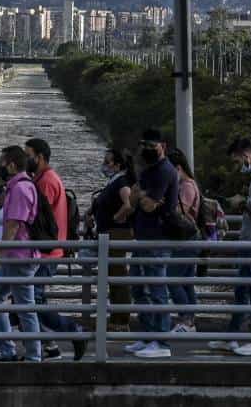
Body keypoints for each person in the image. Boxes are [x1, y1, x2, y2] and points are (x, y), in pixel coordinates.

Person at [23, 138, 87, 361]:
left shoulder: (46, 182)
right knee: (30, 299)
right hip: (47, 250)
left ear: (39, 157)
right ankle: (48, 346)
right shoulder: (43, 178)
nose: (25, 159)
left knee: (33, 300)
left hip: (46, 252)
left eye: (28, 154)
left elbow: (36, 218)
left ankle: (72, 330)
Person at [211, 138, 251, 357]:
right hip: (250, 242)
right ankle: (232, 337)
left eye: (237, 162)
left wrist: (242, 202)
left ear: (246, 155)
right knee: (242, 292)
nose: (237, 167)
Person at [0, 145, 42, 363]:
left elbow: (13, 225)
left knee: (24, 306)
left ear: (12, 165)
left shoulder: (19, 189)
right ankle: (8, 350)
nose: (0, 166)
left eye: (2, 162)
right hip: (15, 256)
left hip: (19, 256)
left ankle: (33, 355)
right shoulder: (17, 186)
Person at [126, 129, 178, 359]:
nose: (147, 150)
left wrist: (142, 196)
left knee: (157, 290)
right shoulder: (147, 170)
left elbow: (146, 204)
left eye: (152, 145)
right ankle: (147, 335)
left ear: (163, 146)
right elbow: (133, 199)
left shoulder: (164, 170)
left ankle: (161, 341)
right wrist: (142, 196)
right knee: (137, 287)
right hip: (142, 236)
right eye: (144, 145)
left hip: (158, 237)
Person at [93, 147, 135, 330]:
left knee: (118, 275)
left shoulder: (121, 183)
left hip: (116, 232)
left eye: (107, 162)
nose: (104, 165)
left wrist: (115, 218)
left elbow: (128, 204)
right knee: (113, 275)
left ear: (118, 165)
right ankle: (116, 318)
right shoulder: (113, 181)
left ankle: (121, 320)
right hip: (109, 233)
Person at [167, 148, 201, 334]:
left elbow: (181, 211)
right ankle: (190, 320)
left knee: (172, 279)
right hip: (190, 239)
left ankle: (186, 319)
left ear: (178, 168)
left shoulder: (186, 186)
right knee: (186, 281)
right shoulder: (190, 183)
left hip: (185, 239)